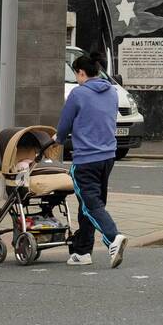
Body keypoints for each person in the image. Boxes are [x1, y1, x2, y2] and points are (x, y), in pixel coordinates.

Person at [57, 55, 127, 268]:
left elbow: (64, 124)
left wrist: (58, 139)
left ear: (81, 73)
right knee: (90, 204)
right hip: (108, 157)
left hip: (86, 159)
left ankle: (113, 237)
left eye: (76, 74)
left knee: (90, 204)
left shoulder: (78, 94)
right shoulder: (112, 92)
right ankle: (82, 252)